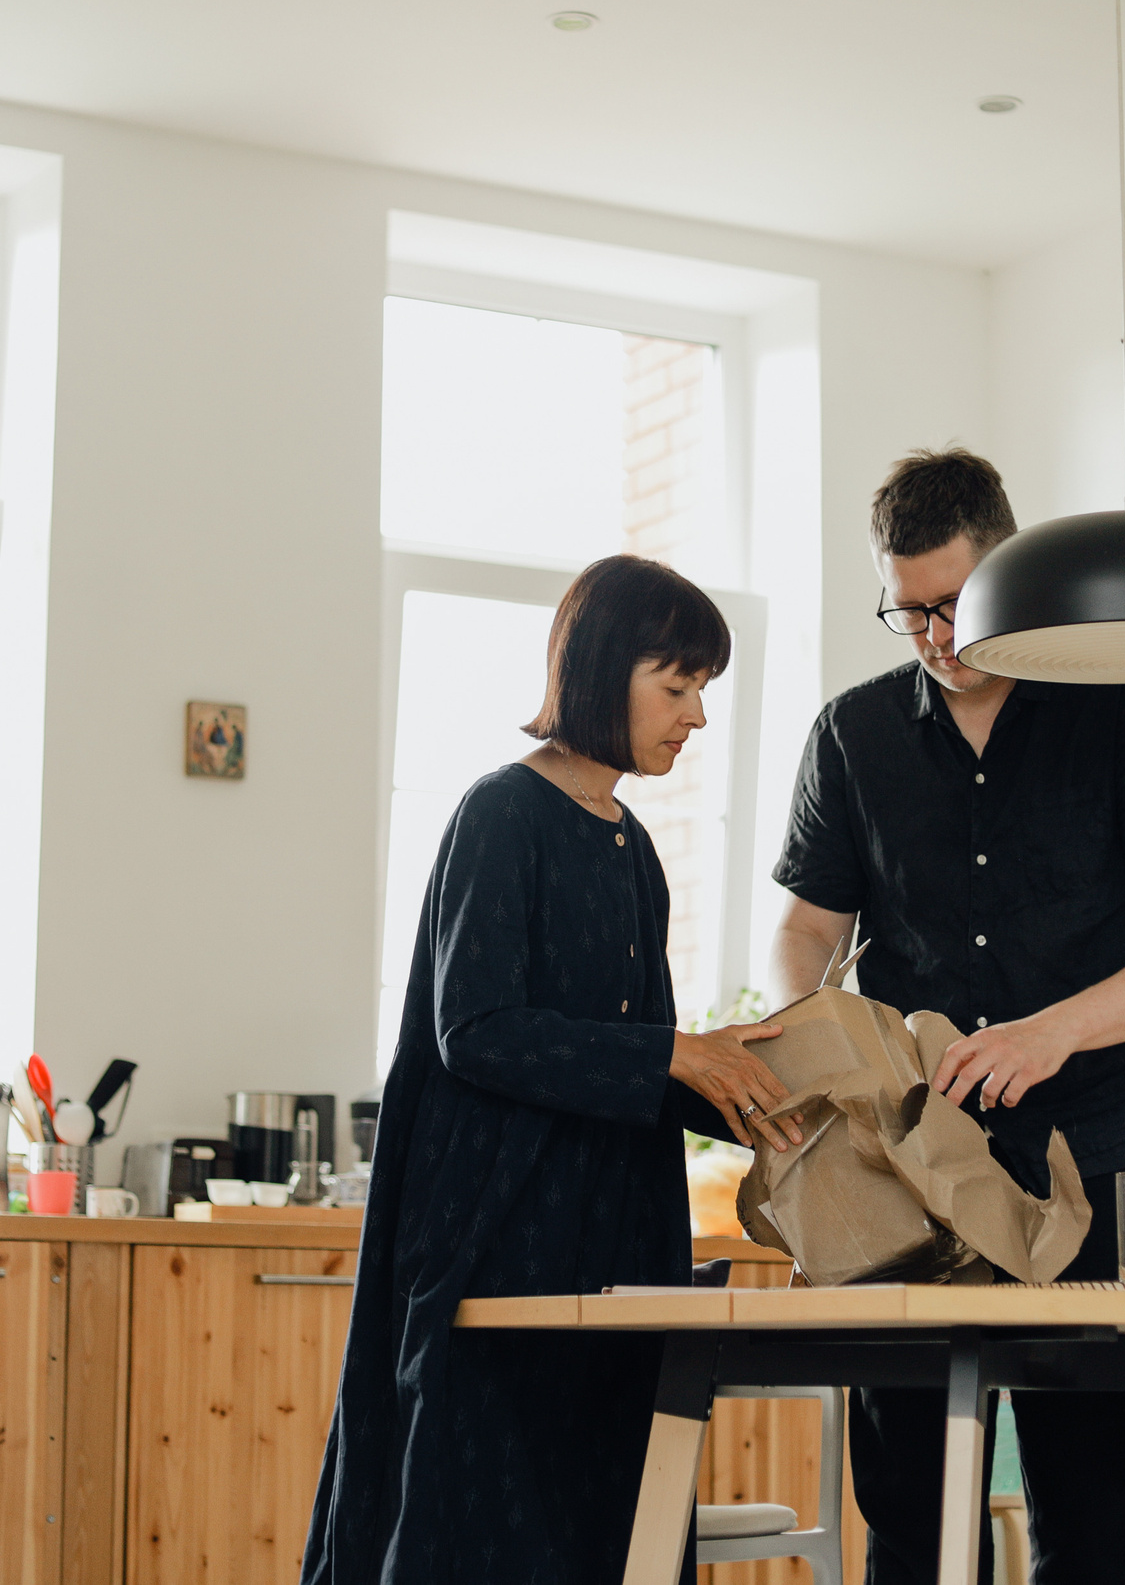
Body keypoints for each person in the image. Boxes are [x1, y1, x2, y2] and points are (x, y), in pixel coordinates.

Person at [766, 448, 1125, 1585]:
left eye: (952, 605)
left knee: (1100, 1510)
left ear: (1008, 574)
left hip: (1106, 1150)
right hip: (908, 1168)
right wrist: (822, 1037)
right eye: (907, 611)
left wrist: (1052, 1031)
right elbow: (802, 933)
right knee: (915, 1514)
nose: (933, 636)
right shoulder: (851, 736)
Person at [304, 553, 804, 1585]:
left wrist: (758, 1101)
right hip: (497, 1248)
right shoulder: (501, 816)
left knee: (606, 1530)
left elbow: (632, 1069)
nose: (696, 718)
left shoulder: (634, 850)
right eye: (678, 687)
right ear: (600, 671)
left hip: (613, 1251)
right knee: (472, 1535)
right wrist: (676, 1052)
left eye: (703, 691)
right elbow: (475, 1029)